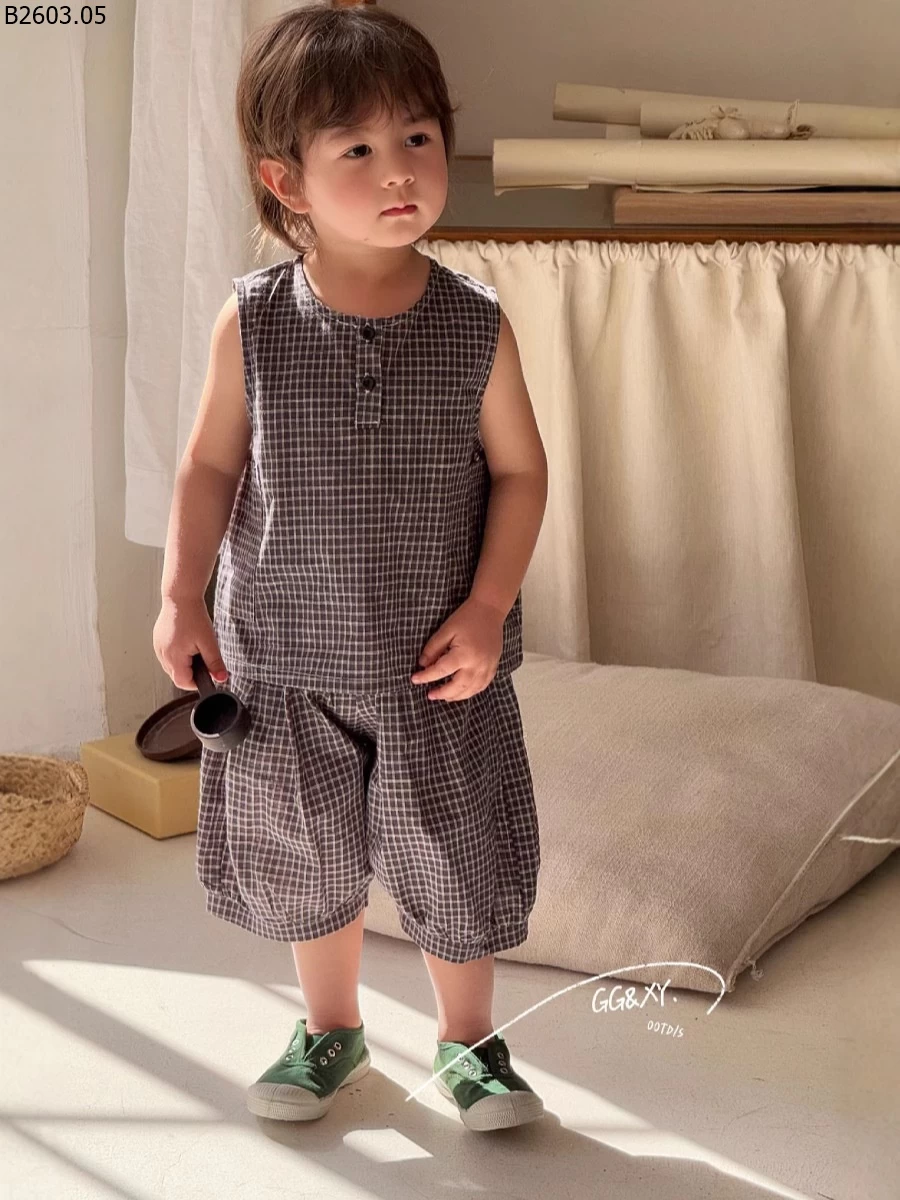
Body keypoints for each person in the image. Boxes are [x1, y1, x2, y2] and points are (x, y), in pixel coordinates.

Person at [153, 3, 548, 1134]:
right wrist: (181, 595)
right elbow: (208, 466)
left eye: (418, 138)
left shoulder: (475, 325)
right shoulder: (254, 323)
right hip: (283, 662)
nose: (399, 172)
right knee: (304, 852)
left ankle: (470, 1043)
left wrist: (488, 605)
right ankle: (331, 1029)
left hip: (436, 666)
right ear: (286, 179)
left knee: (457, 854)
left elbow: (521, 473)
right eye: (359, 149)